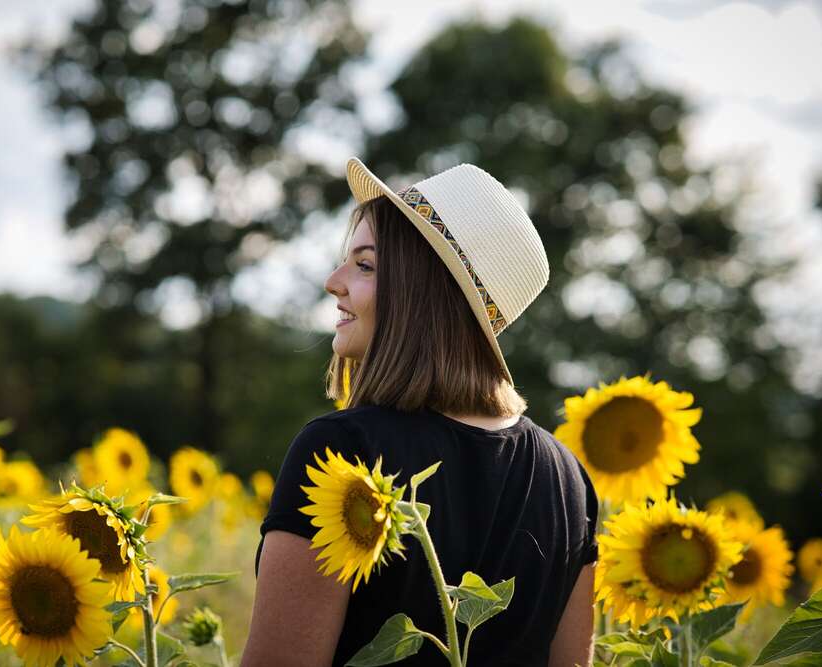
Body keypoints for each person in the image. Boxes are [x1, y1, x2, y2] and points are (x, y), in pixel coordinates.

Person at [241, 158, 598, 666]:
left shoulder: (344, 452)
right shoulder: (569, 480)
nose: (333, 281)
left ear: (421, 292)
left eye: (365, 265)